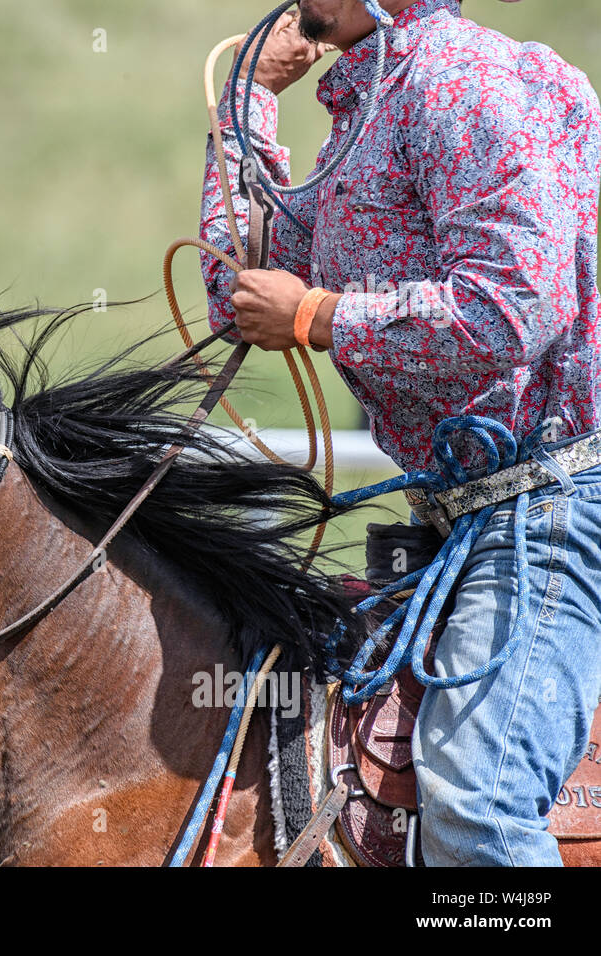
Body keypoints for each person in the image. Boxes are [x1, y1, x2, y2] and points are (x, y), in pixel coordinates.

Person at [200, 0, 601, 865]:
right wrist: (249, 106)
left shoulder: (463, 82)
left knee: (478, 803)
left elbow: (512, 307)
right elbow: (235, 292)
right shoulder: (374, 103)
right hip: (465, 518)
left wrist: (314, 314)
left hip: (550, 508)